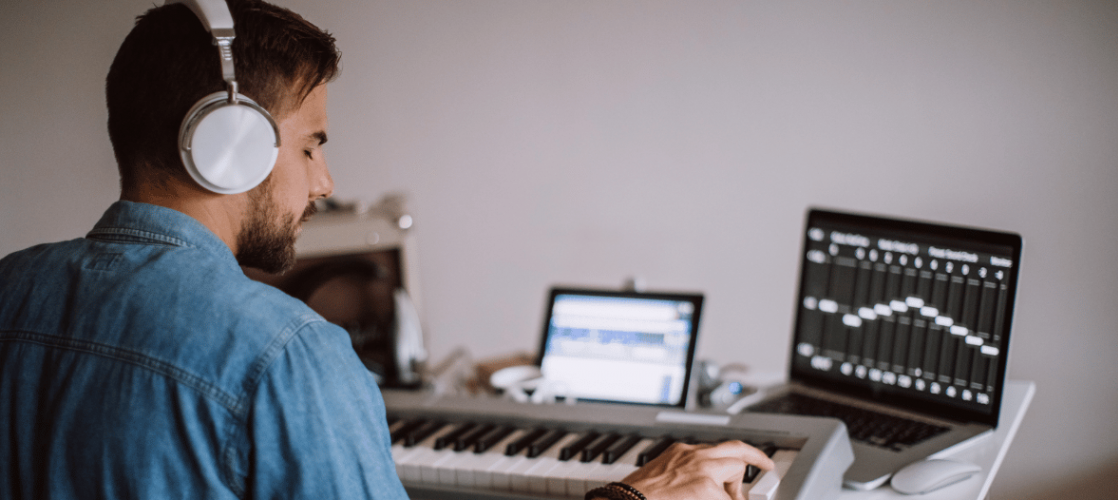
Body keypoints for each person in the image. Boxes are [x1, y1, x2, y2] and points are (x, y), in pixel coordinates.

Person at [0, 1, 772, 499]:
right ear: (226, 149)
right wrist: (631, 497)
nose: (326, 182)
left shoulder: (12, 290)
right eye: (310, 147)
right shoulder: (286, 354)